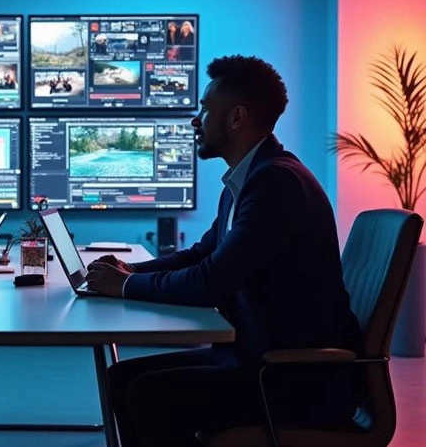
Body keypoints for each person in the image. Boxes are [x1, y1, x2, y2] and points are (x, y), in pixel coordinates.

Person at [86, 55, 361, 447]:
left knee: (146, 395)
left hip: (293, 378)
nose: (195, 121)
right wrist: (131, 271)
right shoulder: (250, 179)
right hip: (258, 357)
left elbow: (213, 280)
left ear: (236, 118)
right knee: (122, 380)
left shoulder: (276, 185)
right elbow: (201, 254)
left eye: (204, 109)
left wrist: (126, 287)